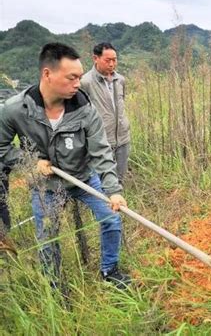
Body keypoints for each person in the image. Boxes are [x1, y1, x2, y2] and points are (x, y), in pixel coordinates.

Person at [0, 43, 130, 287]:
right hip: (46, 185)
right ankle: (54, 285)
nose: (78, 83)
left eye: (80, 77)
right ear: (47, 74)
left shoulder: (84, 108)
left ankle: (109, 272)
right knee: (47, 237)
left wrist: (113, 190)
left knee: (111, 219)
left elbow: (101, 150)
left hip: (83, 178)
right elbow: (1, 147)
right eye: (72, 77)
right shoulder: (16, 109)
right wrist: (29, 162)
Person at [81, 42, 131, 184]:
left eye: (114, 60)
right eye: (107, 60)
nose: (112, 64)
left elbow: (121, 105)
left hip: (122, 138)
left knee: (120, 178)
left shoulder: (120, 80)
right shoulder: (86, 82)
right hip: (101, 141)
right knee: (101, 181)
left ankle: (118, 204)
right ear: (95, 58)